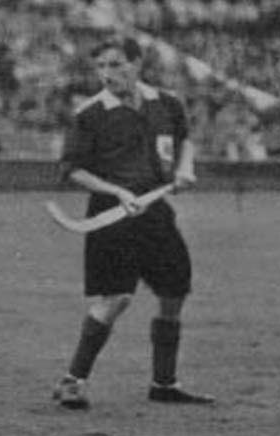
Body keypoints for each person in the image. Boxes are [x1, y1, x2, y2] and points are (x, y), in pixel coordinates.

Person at [51, 37, 212, 410]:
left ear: (137, 64)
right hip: (112, 214)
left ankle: (164, 383)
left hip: (155, 212)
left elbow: (184, 140)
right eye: (102, 67)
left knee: (174, 292)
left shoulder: (166, 103)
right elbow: (71, 170)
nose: (108, 74)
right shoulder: (90, 114)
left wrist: (185, 168)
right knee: (117, 298)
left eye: (117, 64)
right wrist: (118, 192)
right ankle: (73, 381)